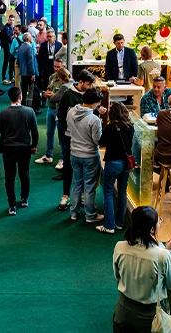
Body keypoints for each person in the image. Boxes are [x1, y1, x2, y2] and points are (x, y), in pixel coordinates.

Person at [112, 206, 171, 332]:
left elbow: (117, 276)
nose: (160, 223)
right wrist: (167, 253)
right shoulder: (163, 256)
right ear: (152, 229)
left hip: (123, 311)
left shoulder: (119, 247)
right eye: (159, 221)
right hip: (150, 317)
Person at [0, 87, 39, 216]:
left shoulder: (3, 113)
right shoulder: (29, 112)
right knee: (25, 174)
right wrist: (33, 145)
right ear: (20, 97)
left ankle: (12, 205)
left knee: (9, 177)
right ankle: (24, 198)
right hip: (25, 148)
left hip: (9, 148)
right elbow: (35, 132)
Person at [55, 70, 95, 208]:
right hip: (69, 137)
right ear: (81, 82)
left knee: (84, 168)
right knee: (68, 166)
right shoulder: (68, 94)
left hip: (85, 138)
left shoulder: (89, 93)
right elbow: (61, 117)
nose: (90, 87)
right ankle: (65, 195)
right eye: (88, 84)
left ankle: (82, 195)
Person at [67, 88, 105, 224]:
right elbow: (97, 140)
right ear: (95, 103)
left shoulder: (71, 112)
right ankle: (90, 215)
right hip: (89, 155)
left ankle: (74, 213)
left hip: (74, 153)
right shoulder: (94, 120)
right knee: (89, 187)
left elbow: (69, 130)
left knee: (76, 184)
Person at [97, 102, 135, 234]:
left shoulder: (110, 127)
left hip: (113, 162)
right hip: (126, 163)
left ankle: (109, 225)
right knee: (122, 191)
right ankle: (119, 223)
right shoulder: (131, 126)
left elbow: (101, 143)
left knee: (108, 192)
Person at [39, 63, 70, 163]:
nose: (56, 69)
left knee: (61, 136)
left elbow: (56, 96)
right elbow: (49, 91)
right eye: (55, 66)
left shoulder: (67, 83)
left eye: (58, 67)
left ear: (63, 67)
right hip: (50, 108)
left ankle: (62, 158)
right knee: (49, 133)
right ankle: (48, 155)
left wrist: (52, 95)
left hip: (59, 111)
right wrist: (49, 94)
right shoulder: (52, 77)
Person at [36, 30, 62, 97]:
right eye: (47, 37)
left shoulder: (59, 44)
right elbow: (40, 57)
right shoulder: (43, 45)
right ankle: (44, 100)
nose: (49, 38)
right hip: (46, 68)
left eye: (50, 36)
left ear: (54, 37)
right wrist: (41, 69)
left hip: (56, 68)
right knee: (45, 84)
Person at [16, 33, 38, 107]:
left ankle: (23, 104)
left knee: (24, 90)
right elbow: (30, 62)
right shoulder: (29, 48)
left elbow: (18, 61)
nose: (32, 38)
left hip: (22, 72)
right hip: (29, 72)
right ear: (28, 39)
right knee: (32, 90)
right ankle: (32, 105)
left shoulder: (20, 47)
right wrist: (33, 73)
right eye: (31, 37)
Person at [0, 15, 16, 85]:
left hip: (11, 47)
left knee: (11, 63)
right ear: (8, 20)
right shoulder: (6, 28)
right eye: (11, 20)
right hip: (7, 47)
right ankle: (4, 78)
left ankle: (11, 77)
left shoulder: (12, 27)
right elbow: (9, 37)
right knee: (6, 63)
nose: (12, 21)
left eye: (13, 20)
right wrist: (14, 36)